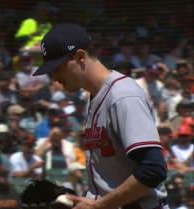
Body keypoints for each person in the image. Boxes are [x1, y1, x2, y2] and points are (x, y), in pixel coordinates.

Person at [32, 24, 169, 209]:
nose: (54, 77)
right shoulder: (94, 97)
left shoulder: (124, 95)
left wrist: (99, 205)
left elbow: (153, 169)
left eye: (57, 67)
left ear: (80, 57)